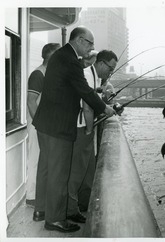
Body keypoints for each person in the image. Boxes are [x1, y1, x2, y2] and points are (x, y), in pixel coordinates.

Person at [32, 26, 116, 233]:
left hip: (48, 123)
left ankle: (48, 212)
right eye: (89, 44)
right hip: (58, 126)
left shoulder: (62, 56)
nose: (91, 48)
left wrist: (96, 96)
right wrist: (104, 108)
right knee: (59, 174)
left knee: (52, 172)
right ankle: (55, 219)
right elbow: (84, 90)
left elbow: (71, 86)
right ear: (79, 40)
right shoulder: (70, 60)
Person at [68, 50, 119, 220]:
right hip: (81, 127)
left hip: (85, 127)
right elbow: (87, 107)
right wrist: (90, 130)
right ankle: (70, 210)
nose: (110, 72)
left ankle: (84, 204)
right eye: (110, 68)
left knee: (88, 168)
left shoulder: (94, 76)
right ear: (101, 63)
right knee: (77, 171)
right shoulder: (87, 75)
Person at [26, 43, 61, 208]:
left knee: (44, 160)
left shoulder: (50, 74)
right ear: (51, 56)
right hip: (37, 125)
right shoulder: (38, 74)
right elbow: (31, 102)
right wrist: (40, 125)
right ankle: (31, 197)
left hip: (46, 126)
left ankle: (40, 196)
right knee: (35, 159)